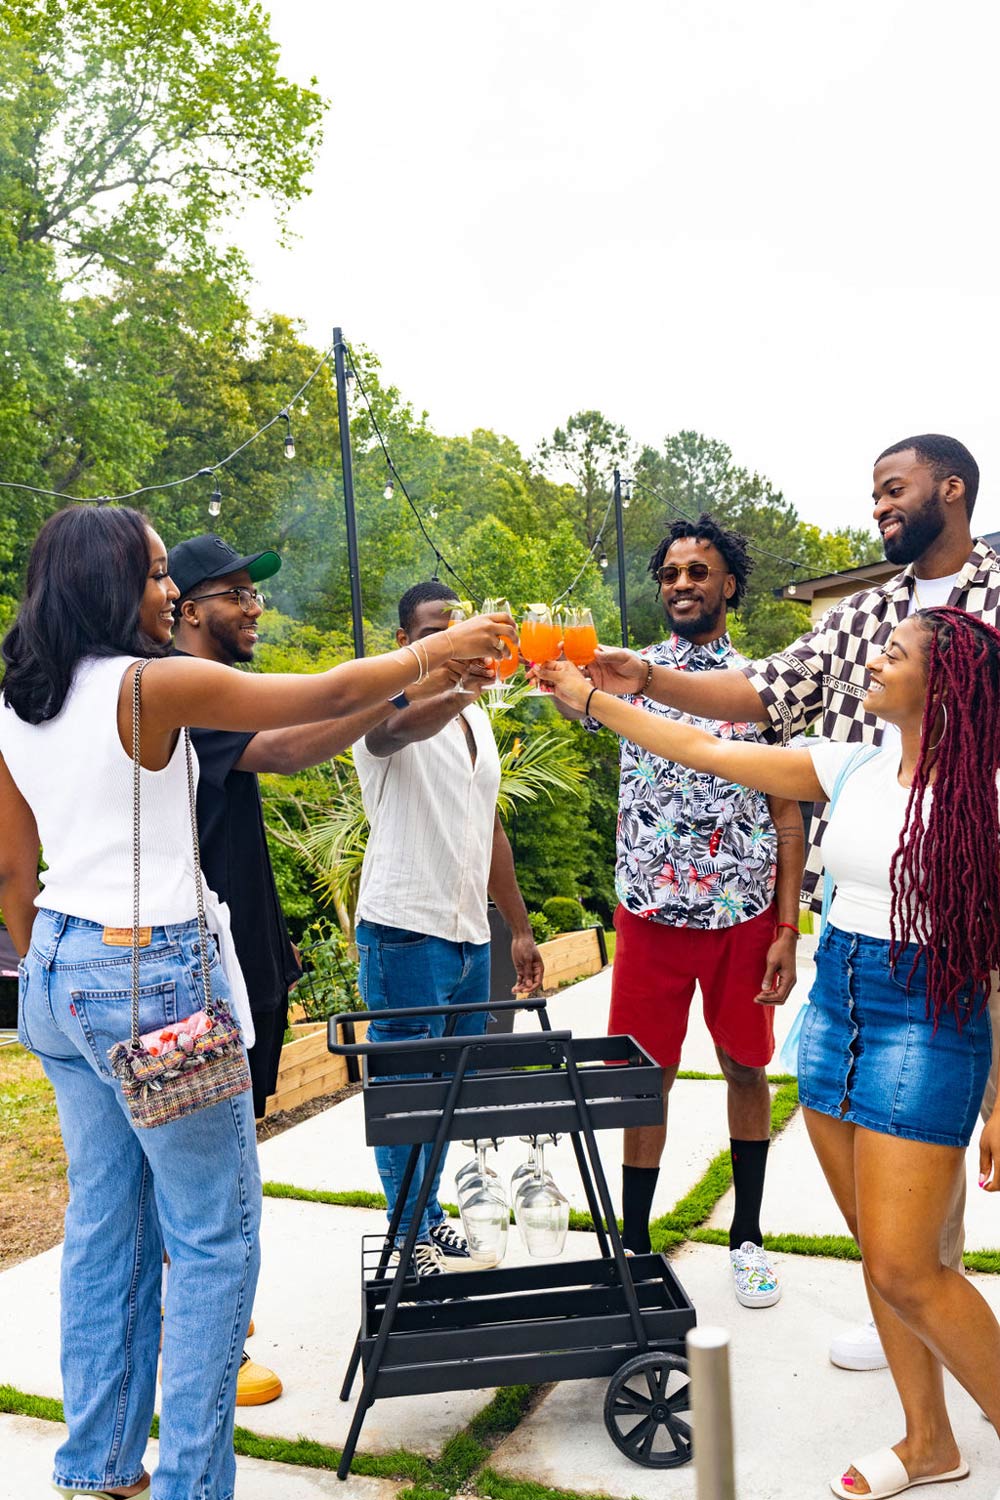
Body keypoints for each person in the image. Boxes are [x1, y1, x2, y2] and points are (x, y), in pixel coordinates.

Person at [0, 505, 515, 1500]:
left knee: (105, 1226)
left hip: (60, 970)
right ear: (111, 582)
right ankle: (196, 1484)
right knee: (210, 1235)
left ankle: (97, 1467)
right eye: (154, 572)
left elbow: (12, 871)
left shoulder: (21, 698)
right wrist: (438, 650)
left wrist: (63, 970)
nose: (167, 591)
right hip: (152, 972)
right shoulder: (148, 684)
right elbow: (320, 689)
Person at [538, 604, 1000, 1500]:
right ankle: (928, 1440)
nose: (873, 661)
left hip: (929, 1022)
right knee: (883, 1259)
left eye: (894, 654)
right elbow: (705, 752)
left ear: (944, 688)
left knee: (913, 1269)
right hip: (838, 1013)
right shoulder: (856, 763)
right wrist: (590, 696)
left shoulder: (987, 798)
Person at [578, 434, 1000, 1370]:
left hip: (963, 913)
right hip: (850, 922)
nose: (881, 507)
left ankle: (927, 1301)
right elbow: (755, 703)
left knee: (933, 1167)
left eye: (895, 489)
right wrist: (632, 681)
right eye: (875, 493)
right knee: (885, 1188)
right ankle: (912, 1326)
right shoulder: (867, 618)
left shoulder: (999, 597)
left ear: (953, 489)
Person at [165, 533, 472, 1406]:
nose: (255, 605)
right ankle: (203, 1348)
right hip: (194, 963)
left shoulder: (208, 696)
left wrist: (275, 952)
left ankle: (220, 1324)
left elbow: (291, 745)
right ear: (186, 607)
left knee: (228, 1152)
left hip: (241, 953)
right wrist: (410, 677)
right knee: (203, 1167)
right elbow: (296, 744)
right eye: (233, 593)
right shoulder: (180, 695)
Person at [562, 516, 803, 1303]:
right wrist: (561, 676)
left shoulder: (762, 684)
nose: (682, 585)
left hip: (740, 912)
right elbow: (574, 702)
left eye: (698, 572)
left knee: (745, 1067)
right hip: (650, 914)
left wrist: (785, 928)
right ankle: (633, 1247)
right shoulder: (627, 672)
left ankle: (748, 1236)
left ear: (729, 584)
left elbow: (789, 814)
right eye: (670, 574)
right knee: (644, 1079)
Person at [354, 580, 545, 1280]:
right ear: (408, 643)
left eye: (464, 627)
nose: (460, 639)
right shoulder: (380, 706)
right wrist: (467, 684)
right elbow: (390, 732)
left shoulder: (478, 721)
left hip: (468, 934)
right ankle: (407, 1241)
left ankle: (427, 1222)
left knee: (447, 1091)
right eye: (441, 630)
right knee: (407, 1091)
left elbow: (488, 822)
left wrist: (516, 929)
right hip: (404, 930)